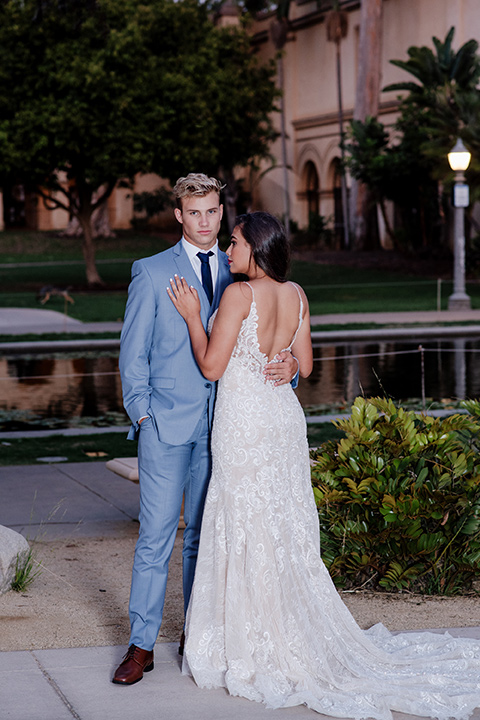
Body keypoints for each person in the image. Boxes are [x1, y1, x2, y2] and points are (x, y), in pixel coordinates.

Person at [168, 211, 480, 719]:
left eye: (235, 243)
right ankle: (287, 631)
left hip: (244, 424)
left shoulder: (237, 295)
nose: (228, 252)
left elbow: (211, 365)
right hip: (284, 421)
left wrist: (188, 314)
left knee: (244, 522)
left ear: (256, 248)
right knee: (283, 525)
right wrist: (288, 361)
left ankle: (249, 642)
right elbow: (307, 366)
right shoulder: (297, 294)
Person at [113, 175, 298, 686]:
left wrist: (292, 370)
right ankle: (141, 646)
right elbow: (133, 356)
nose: (205, 222)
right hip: (166, 426)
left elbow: (272, 347)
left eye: (213, 212)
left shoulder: (241, 267)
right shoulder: (151, 273)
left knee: (205, 537)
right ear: (179, 215)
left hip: (229, 431)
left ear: (222, 211)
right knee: (155, 539)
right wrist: (143, 416)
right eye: (194, 213)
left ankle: (199, 636)